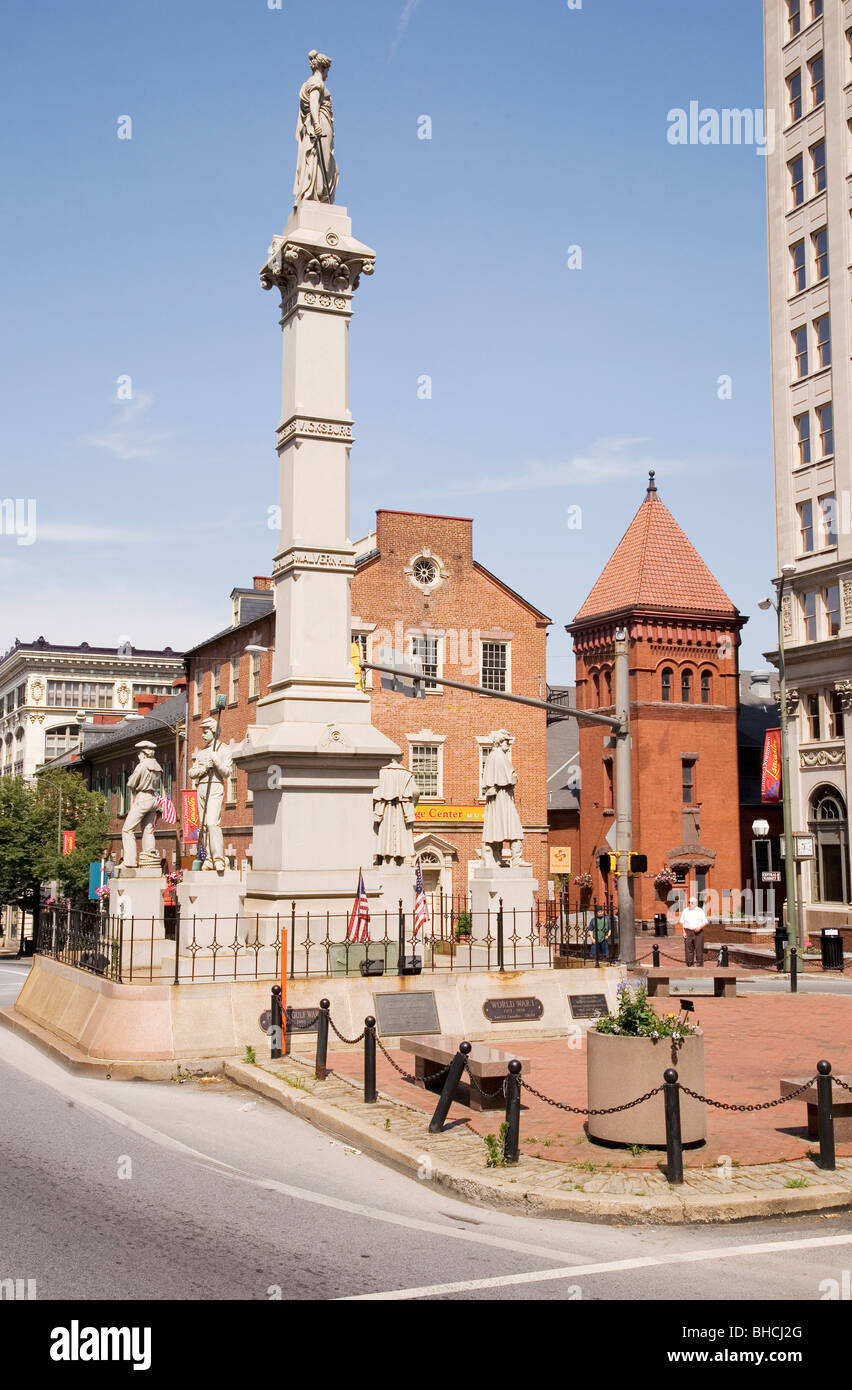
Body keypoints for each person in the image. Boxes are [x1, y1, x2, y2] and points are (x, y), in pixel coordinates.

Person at [680, 895, 708, 967]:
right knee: (688, 949)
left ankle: (699, 965)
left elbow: (705, 922)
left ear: (696, 903)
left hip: (698, 932)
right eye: (689, 902)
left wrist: (699, 927)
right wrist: (683, 932)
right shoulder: (685, 911)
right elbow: (682, 922)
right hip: (688, 932)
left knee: (699, 949)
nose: (690, 904)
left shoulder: (700, 911)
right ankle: (690, 965)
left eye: (692, 902)